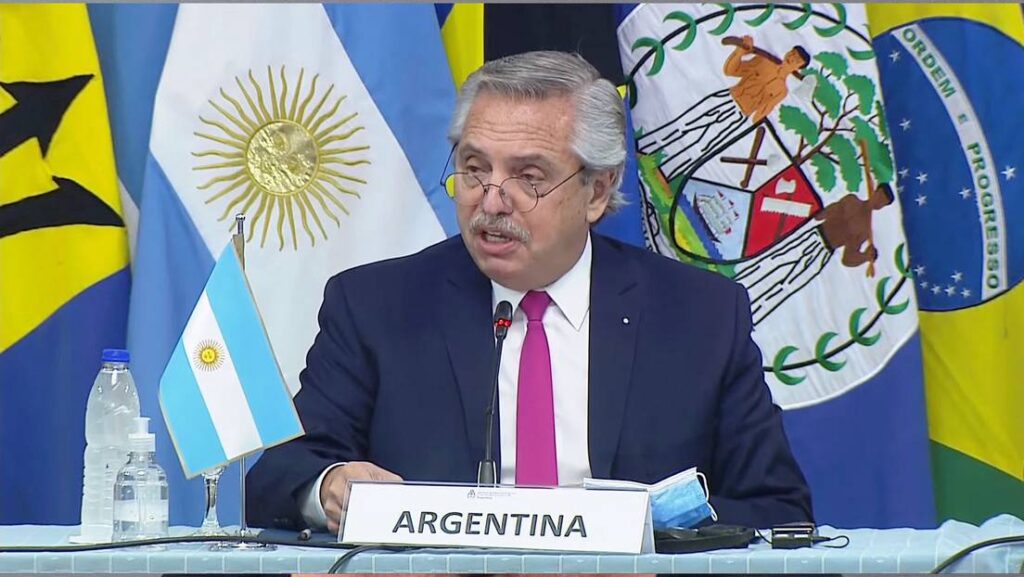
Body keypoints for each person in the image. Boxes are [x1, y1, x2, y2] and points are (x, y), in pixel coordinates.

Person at [246, 51, 813, 534]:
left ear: (598, 189)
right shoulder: (377, 306)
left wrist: (650, 533)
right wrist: (328, 489)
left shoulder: (699, 316)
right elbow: (276, 479)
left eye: (529, 177)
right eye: (474, 169)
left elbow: (776, 508)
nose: (491, 201)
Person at [636, 35, 810, 183]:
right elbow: (731, 70)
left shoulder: (782, 90)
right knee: (685, 124)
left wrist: (759, 124)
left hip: (738, 115)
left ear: (798, 68)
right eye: (792, 54)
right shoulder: (764, 61)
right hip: (726, 98)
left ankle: (667, 173)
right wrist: (740, 52)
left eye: (797, 60)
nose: (792, 58)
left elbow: (762, 113)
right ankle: (644, 146)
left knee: (705, 144)